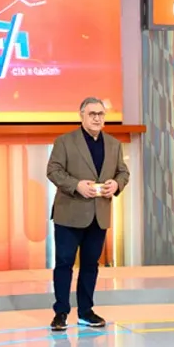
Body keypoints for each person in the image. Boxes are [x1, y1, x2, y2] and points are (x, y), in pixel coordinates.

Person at [45, 97, 130, 332]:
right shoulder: (65, 141)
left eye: (101, 114)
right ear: (81, 115)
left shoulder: (114, 144)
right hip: (69, 213)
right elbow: (53, 170)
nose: (97, 118)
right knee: (64, 263)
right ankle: (61, 312)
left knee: (91, 265)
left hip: (99, 214)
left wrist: (117, 184)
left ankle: (86, 311)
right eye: (92, 114)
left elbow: (123, 172)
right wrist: (76, 185)